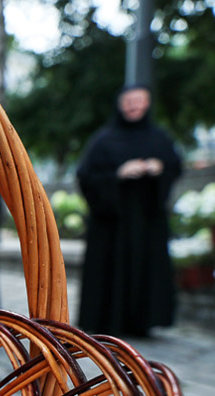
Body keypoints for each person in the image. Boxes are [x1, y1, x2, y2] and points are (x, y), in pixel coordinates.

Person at [76, 84, 182, 338]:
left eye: (139, 101)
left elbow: (175, 167)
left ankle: (144, 321)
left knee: (146, 269)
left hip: (147, 221)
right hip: (113, 224)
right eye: (129, 101)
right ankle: (107, 322)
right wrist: (118, 174)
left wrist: (159, 168)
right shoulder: (103, 140)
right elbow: (85, 176)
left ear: (147, 104)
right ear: (120, 104)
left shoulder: (160, 137)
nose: (134, 106)